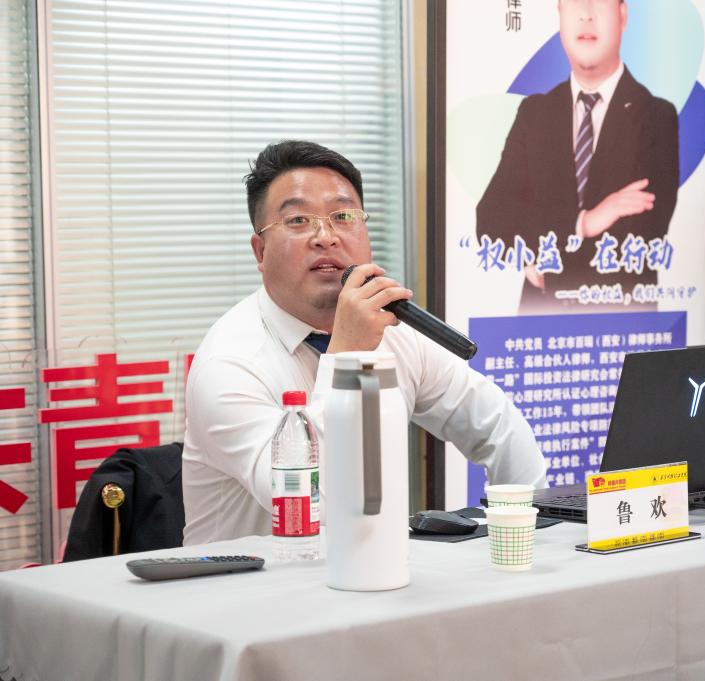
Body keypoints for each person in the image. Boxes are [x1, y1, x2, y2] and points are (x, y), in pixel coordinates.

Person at [182, 140, 546, 544]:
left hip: (376, 570)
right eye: (298, 220)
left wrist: (524, 535)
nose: (325, 237)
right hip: (258, 580)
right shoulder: (229, 363)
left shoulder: (395, 332)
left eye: (343, 216)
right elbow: (313, 502)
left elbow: (497, 426)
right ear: (260, 250)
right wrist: (348, 354)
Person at [476, 0, 679, 313]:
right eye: (574, 2)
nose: (586, 13)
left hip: (623, 322)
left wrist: (547, 260)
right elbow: (492, 218)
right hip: (536, 327)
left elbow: (643, 230)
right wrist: (584, 223)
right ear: (560, 14)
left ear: (622, 15)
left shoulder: (656, 116)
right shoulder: (535, 113)